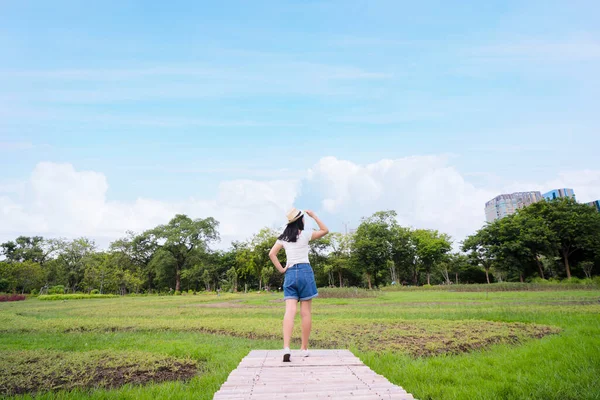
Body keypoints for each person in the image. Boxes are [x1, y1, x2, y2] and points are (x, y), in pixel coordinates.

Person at [269, 208, 329, 362]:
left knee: (290, 311)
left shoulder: (283, 238)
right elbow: (325, 230)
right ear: (300, 220)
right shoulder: (306, 234)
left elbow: (272, 254)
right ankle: (303, 348)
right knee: (306, 313)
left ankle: (286, 347)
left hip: (290, 273)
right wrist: (314, 215)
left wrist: (282, 269)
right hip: (305, 272)